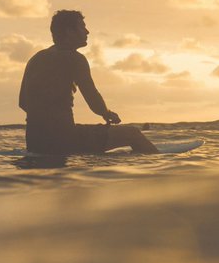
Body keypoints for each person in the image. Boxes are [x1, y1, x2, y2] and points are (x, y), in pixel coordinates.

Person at [19, 9, 158, 154]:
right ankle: (159, 164)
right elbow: (92, 97)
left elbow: (23, 102)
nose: (87, 32)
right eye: (82, 27)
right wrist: (107, 113)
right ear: (69, 32)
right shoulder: (75, 58)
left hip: (35, 141)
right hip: (64, 138)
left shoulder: (35, 59)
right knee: (133, 134)